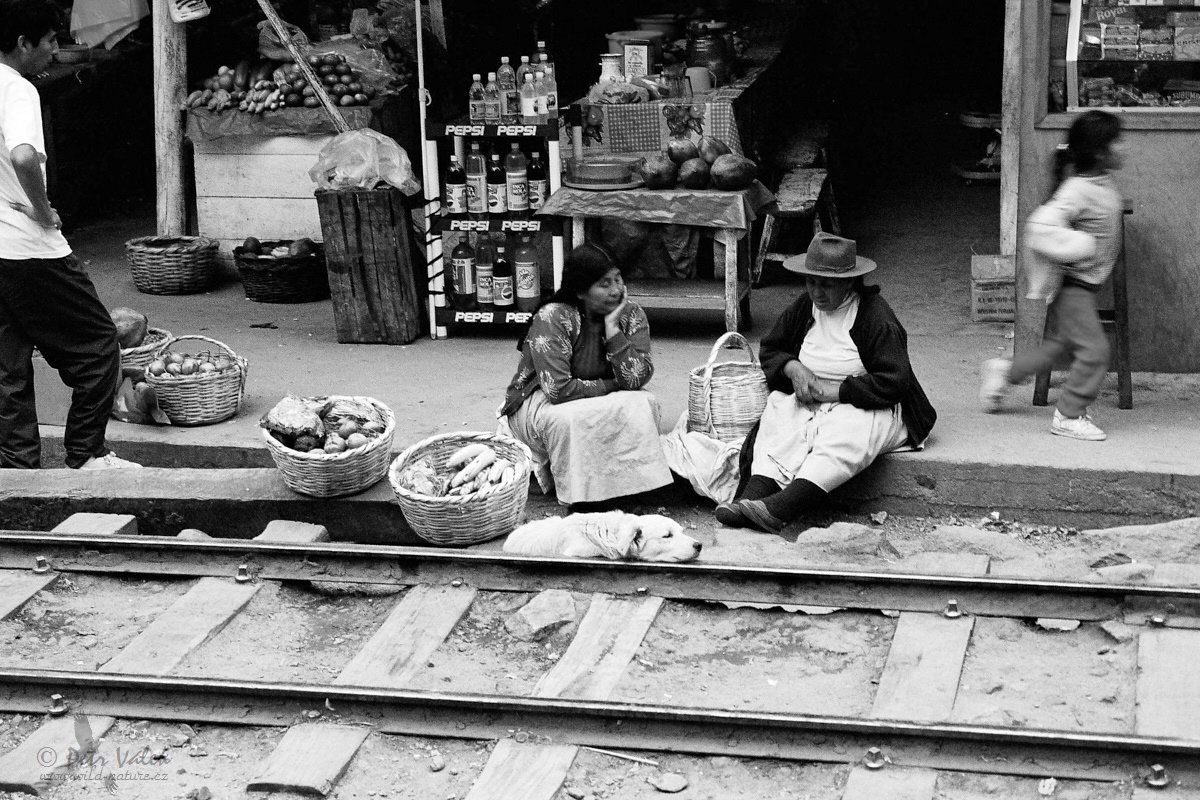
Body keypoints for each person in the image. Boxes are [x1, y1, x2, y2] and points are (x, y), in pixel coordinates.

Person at [714, 232, 936, 534]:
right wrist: (794, 369)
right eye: (811, 282)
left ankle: (781, 508)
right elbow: (772, 349)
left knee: (847, 429)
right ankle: (751, 498)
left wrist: (838, 391)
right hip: (814, 400)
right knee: (780, 410)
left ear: (849, 283)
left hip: (873, 403)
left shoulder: (874, 316)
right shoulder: (806, 307)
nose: (817, 292)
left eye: (827, 284)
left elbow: (895, 381)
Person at [0, 0, 140, 470]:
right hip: (26, 247)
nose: (54, 53)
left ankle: (17, 467)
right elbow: (22, 157)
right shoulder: (16, 90)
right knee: (99, 346)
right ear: (23, 44)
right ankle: (86, 453)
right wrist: (42, 211)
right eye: (48, 42)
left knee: (8, 364)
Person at [979, 110, 1124, 441]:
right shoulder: (1076, 190)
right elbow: (1039, 226)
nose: (1124, 148)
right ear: (1101, 152)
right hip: (1074, 289)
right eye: (1118, 142)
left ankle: (1004, 372)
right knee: (1095, 351)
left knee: (1063, 350)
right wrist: (1081, 244)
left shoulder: (1099, 181)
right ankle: (1069, 414)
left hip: (1083, 288)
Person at [499, 241, 672, 506]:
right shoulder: (553, 316)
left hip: (591, 393)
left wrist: (613, 329)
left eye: (618, 279)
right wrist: (613, 385)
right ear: (581, 291)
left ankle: (635, 487)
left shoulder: (631, 314)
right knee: (568, 418)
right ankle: (581, 499)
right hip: (539, 401)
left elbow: (636, 379)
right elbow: (558, 391)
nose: (616, 290)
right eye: (604, 284)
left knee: (644, 402)